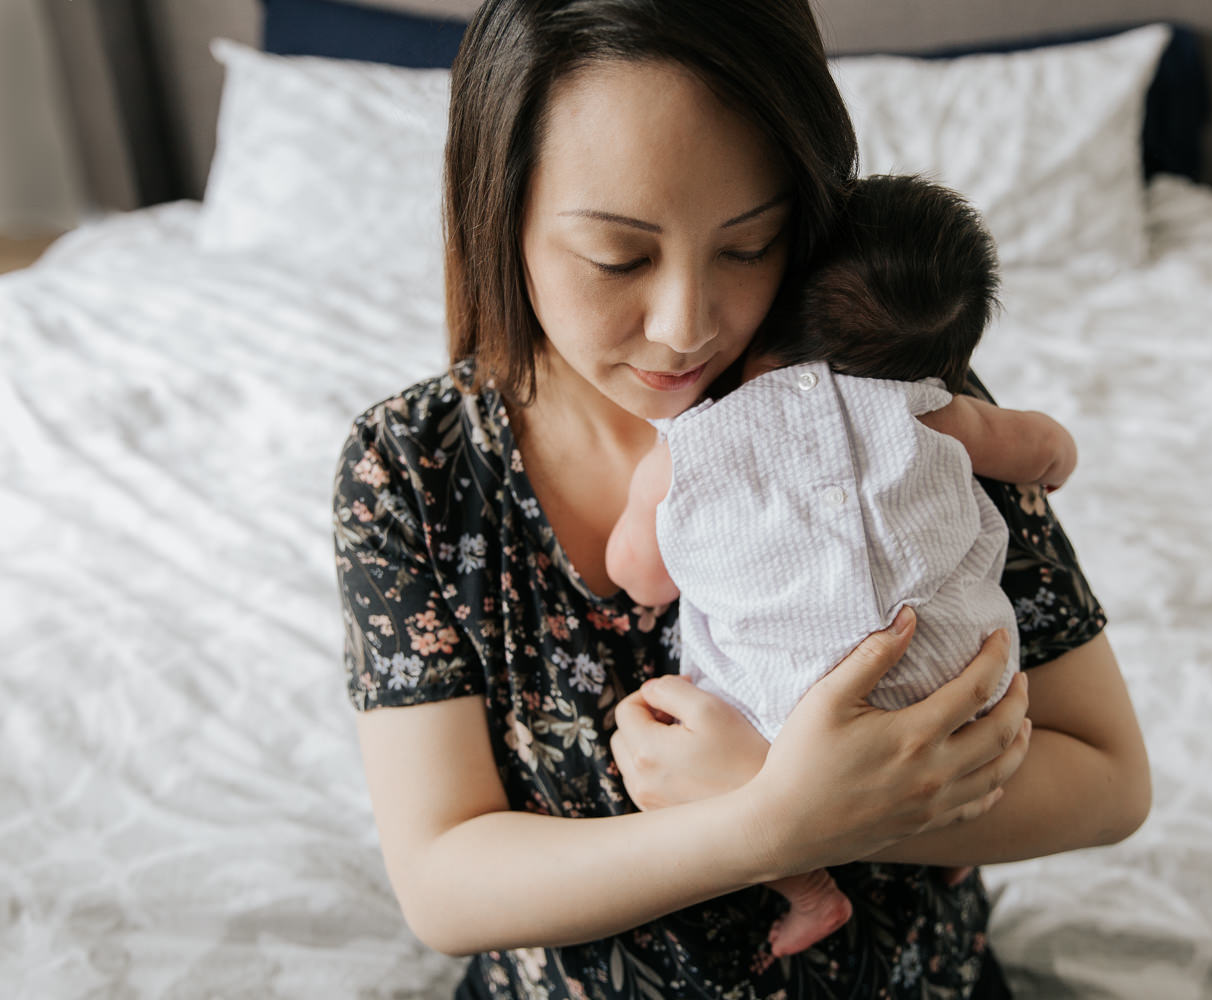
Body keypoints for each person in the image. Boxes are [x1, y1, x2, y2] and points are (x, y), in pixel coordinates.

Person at [330, 1, 1151, 997]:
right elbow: (445, 884)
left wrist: (828, 797)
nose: (684, 328)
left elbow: (1108, 780)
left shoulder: (876, 396)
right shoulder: (412, 468)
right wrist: (773, 820)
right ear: (496, 214)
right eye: (619, 257)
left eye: (748, 246)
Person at [604, 174, 1078, 957]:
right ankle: (956, 839)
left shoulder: (691, 446)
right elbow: (1038, 447)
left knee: (687, 730)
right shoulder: (932, 407)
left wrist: (641, 519)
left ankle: (809, 890)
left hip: (778, 717)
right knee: (969, 725)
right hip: (955, 679)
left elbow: (644, 579)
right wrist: (1058, 453)